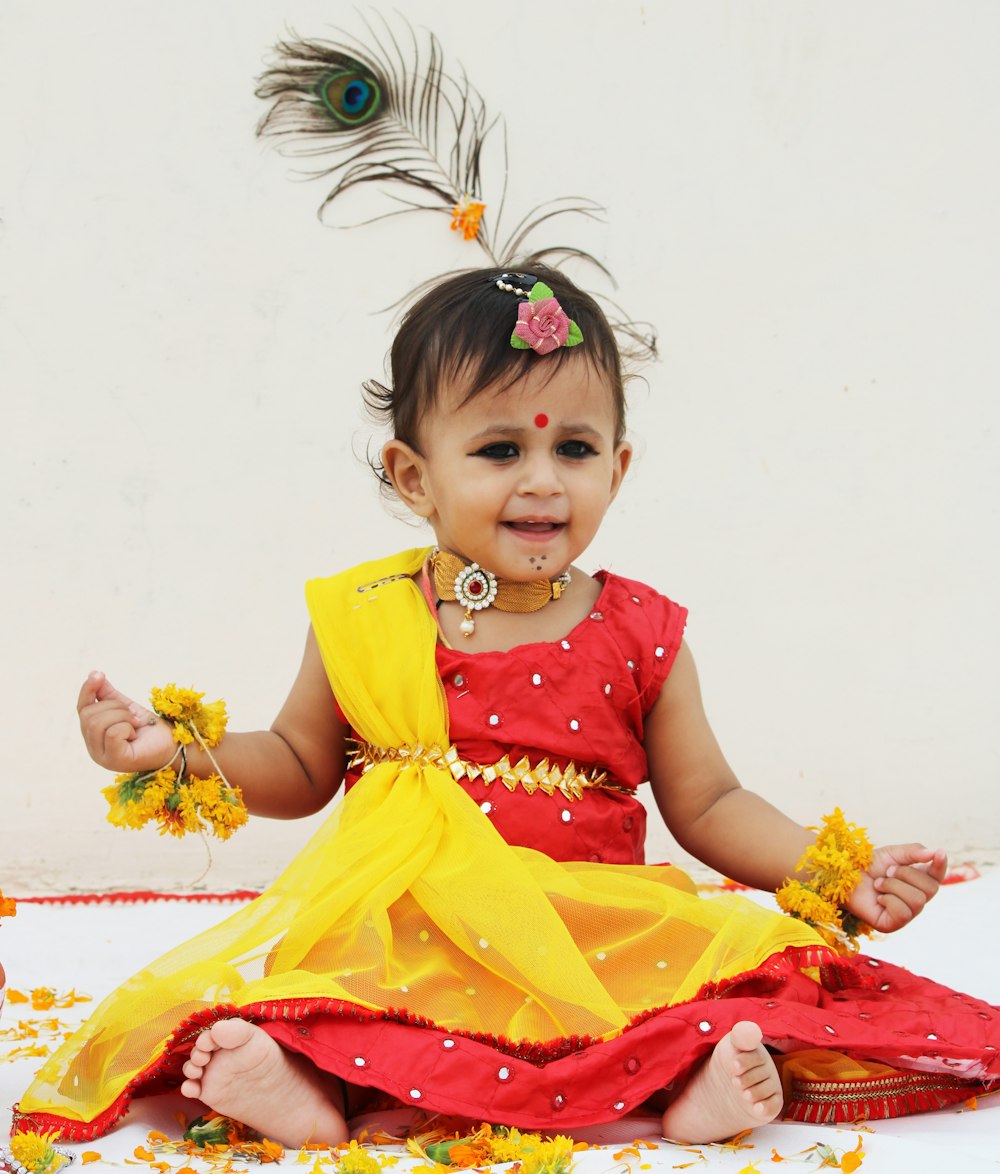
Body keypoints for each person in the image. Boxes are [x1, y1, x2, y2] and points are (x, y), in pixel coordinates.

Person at [16, 265, 997, 1149]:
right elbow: (301, 764)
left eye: (573, 446)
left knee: (725, 990)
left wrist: (835, 872)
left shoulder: (640, 631)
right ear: (414, 475)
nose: (540, 478)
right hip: (413, 931)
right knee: (339, 1002)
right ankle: (307, 1091)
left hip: (592, 930)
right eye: (496, 448)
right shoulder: (368, 615)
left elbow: (708, 802)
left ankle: (698, 1091)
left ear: (616, 467)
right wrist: (175, 754)